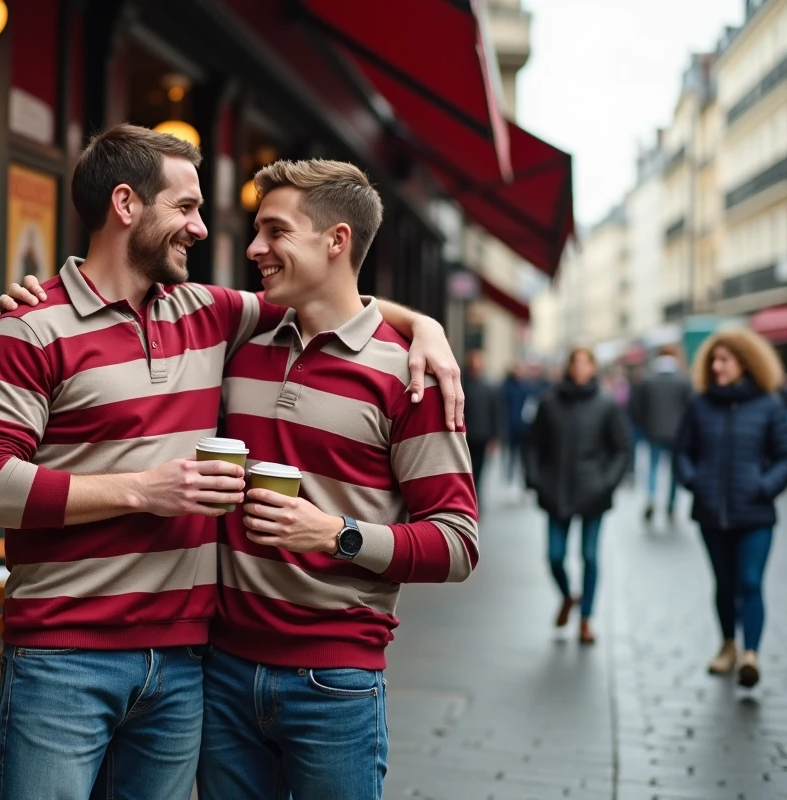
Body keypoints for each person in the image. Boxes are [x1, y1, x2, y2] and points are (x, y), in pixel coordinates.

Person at [0, 124, 462, 798]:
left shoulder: (210, 314)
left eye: (267, 230)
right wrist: (143, 491)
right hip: (64, 657)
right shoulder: (31, 325)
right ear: (126, 205)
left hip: (185, 666)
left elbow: (332, 296)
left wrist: (426, 328)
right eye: (187, 208)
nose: (204, 230)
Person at [197, 159, 478, 798]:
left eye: (275, 231)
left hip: (335, 682)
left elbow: (458, 544)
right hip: (223, 672)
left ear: (337, 240)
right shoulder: (246, 340)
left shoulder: (412, 376)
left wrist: (335, 533)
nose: (254, 249)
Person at [675, 329, 787, 688]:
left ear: (745, 362)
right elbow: (682, 452)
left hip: (756, 513)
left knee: (750, 581)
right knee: (724, 585)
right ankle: (727, 644)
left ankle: (751, 655)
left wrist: (765, 486)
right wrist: (694, 481)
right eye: (713, 359)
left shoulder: (769, 404)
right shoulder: (700, 404)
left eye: (724, 359)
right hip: (711, 513)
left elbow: (786, 458)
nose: (716, 366)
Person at [525, 347, 631, 645]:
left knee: (589, 556)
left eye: (587, 363)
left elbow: (622, 449)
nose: (581, 368)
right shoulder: (549, 403)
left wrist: (607, 482)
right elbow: (532, 445)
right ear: (569, 367)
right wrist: (535, 479)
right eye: (576, 362)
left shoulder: (607, 404)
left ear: (594, 368)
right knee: (555, 557)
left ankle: (586, 618)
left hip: (593, 493)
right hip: (555, 491)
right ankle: (567, 596)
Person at [633, 345, 693, 524]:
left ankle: (652, 496)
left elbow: (639, 408)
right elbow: (690, 409)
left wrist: (646, 426)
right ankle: (671, 505)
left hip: (654, 431)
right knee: (674, 472)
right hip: (677, 434)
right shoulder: (683, 381)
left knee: (652, 467)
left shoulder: (648, 380)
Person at [462, 349, 499, 494]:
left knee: (479, 470)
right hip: (467, 436)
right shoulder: (464, 383)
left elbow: (495, 412)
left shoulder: (489, 386)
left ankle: (476, 497)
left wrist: (494, 437)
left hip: (482, 436)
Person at [501, 363, 533, 485]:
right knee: (510, 455)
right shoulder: (506, 387)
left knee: (523, 457)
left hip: (523, 428)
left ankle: (523, 480)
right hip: (510, 427)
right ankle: (509, 478)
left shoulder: (526, 388)